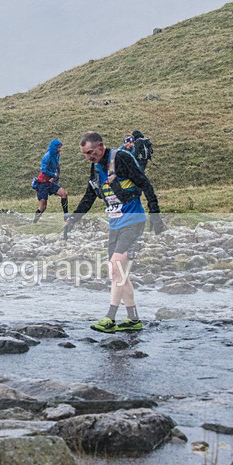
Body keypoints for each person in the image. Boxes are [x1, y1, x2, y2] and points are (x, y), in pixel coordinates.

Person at [64, 132, 165, 333]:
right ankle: (133, 319)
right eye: (85, 154)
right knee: (118, 272)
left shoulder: (121, 158)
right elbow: (89, 196)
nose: (88, 157)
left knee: (117, 267)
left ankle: (110, 317)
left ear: (101, 147)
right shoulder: (96, 168)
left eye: (90, 152)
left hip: (133, 222)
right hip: (115, 226)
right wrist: (73, 220)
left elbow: (145, 183)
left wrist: (155, 214)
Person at [31, 139, 69, 223]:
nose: (60, 149)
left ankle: (66, 216)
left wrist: (55, 176)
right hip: (42, 183)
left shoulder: (57, 155)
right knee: (43, 206)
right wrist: (53, 174)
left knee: (64, 194)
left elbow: (56, 167)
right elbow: (43, 170)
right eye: (58, 148)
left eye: (60, 147)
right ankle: (34, 222)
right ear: (54, 147)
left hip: (49, 182)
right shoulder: (47, 156)